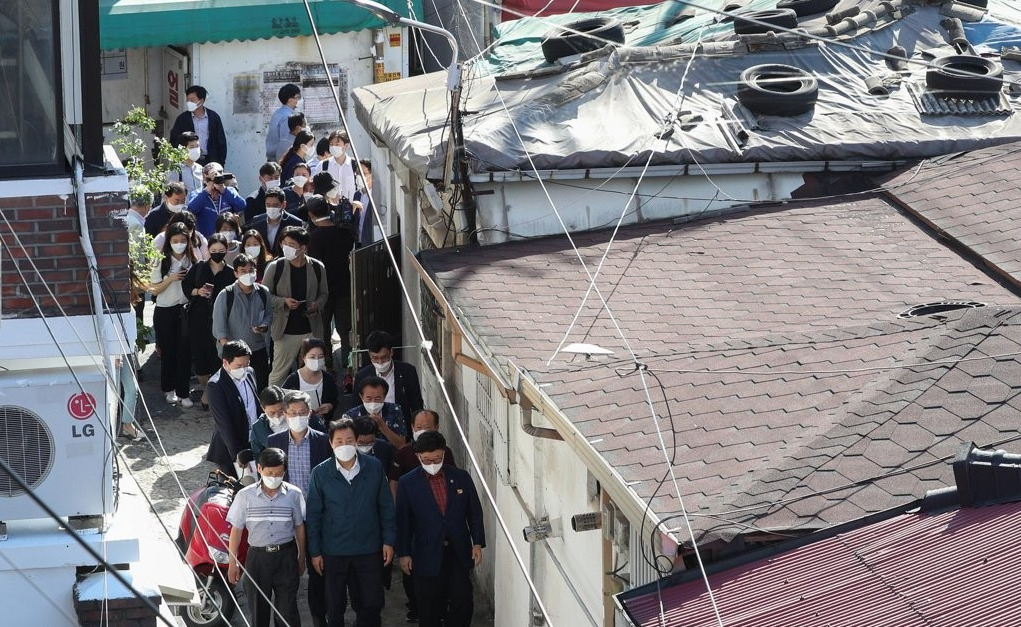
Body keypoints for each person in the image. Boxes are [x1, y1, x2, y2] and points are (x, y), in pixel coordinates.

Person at [306, 417, 396, 627]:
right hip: (334, 551)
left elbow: (386, 508)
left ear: (356, 441)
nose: (344, 445)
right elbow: (314, 515)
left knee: (371, 603)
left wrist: (389, 541)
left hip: (369, 549)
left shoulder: (374, 468)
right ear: (331, 443)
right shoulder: (320, 473)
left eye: (349, 440)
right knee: (335, 606)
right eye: (339, 441)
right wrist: (315, 552)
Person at [396, 431, 485, 627]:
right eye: (426, 460)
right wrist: (403, 554)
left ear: (443, 453)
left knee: (462, 599)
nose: (432, 464)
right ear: (418, 456)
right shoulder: (407, 483)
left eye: (436, 458)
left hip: (457, 550)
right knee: (429, 605)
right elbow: (403, 521)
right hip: (425, 552)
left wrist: (477, 542)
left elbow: (474, 512)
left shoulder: (460, 477)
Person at [268, 390, 332, 627]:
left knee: (318, 567)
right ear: (285, 414)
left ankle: (318, 616)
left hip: (316, 513)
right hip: (287, 513)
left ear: (310, 413)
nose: (297, 417)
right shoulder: (274, 442)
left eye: (302, 413)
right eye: (293, 413)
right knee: (287, 567)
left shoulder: (323, 441)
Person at [226, 447, 306, 627]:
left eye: (279, 473)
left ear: (285, 471)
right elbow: (236, 530)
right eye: (270, 473)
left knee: (287, 613)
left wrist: (302, 557)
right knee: (258, 611)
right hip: (257, 559)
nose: (274, 477)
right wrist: (233, 562)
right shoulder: (244, 496)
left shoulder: (294, 494)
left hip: (286, 557)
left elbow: (299, 527)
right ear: (260, 469)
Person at [390, 408, 457, 621]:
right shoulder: (403, 454)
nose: (423, 430)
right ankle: (417, 609)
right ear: (412, 428)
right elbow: (395, 484)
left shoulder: (446, 454)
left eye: (427, 427)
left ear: (437, 428)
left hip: (441, 529)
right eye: (419, 427)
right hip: (416, 527)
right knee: (416, 575)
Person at [264, 226, 329, 387]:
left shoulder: (317, 267)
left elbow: (324, 293)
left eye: (291, 244)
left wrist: (317, 305)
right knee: (278, 373)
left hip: (311, 329)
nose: (286, 247)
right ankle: (273, 407)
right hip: (285, 331)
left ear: (303, 248)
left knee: (314, 370)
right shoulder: (275, 267)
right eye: (284, 243)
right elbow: (264, 295)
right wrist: (283, 302)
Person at [183, 233, 236, 409]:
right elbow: (186, 287)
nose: (217, 253)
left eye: (221, 250)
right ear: (208, 250)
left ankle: (211, 394)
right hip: (198, 318)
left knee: (217, 356)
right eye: (213, 250)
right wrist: (198, 292)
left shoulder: (230, 272)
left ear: (226, 250)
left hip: (222, 320)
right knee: (200, 357)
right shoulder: (199, 267)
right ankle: (206, 388)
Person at [306, 196, 356, 372]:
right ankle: (349, 368)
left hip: (324, 293)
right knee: (346, 331)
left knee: (323, 332)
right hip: (344, 288)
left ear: (311, 215)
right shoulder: (345, 232)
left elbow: (313, 268)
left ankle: (327, 369)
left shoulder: (313, 238)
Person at [149, 221, 196, 407]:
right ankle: (169, 389)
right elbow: (154, 290)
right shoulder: (161, 260)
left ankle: (184, 392)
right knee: (168, 353)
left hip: (184, 310)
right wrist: (171, 279)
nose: (179, 244)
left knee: (184, 353)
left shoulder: (192, 259)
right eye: (175, 240)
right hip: (165, 310)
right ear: (169, 241)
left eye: (183, 240)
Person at [212, 254, 274, 392]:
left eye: (251, 270)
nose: (248, 274)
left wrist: (264, 325)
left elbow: (269, 314)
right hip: (233, 356)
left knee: (259, 388)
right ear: (236, 273)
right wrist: (230, 353)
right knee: (235, 391)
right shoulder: (226, 295)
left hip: (258, 350)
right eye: (243, 271)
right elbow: (219, 328)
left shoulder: (263, 292)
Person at [206, 340, 259, 478]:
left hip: (253, 442)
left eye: (246, 364)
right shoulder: (216, 385)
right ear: (225, 363)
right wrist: (238, 454)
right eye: (238, 365)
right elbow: (225, 424)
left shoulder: (250, 373)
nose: (243, 369)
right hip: (231, 450)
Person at [354, 330, 424, 419]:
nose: (380, 362)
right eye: (375, 358)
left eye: (384, 357)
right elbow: (356, 408)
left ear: (391, 352)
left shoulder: (408, 371)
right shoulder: (362, 376)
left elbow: (416, 404)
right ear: (369, 354)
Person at [282, 337, 338, 423]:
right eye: (312, 357)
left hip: (322, 425)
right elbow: (283, 402)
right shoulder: (293, 379)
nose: (316, 360)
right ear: (304, 357)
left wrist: (329, 406)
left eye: (320, 357)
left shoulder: (328, 379)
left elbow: (335, 400)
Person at [170, 85, 228, 166]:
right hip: (189, 161)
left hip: (211, 160)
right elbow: (174, 140)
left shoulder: (213, 117)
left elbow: (221, 141)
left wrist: (221, 163)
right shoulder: (182, 119)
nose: (189, 102)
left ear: (201, 101)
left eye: (192, 100)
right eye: (188, 100)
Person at [346, 376, 407, 448]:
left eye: (378, 398)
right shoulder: (351, 416)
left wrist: (383, 426)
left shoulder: (394, 410)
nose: (373, 402)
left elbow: (402, 444)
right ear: (361, 396)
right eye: (369, 398)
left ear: (384, 397)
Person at [189, 162, 247, 237]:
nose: (215, 179)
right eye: (212, 177)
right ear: (204, 177)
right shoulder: (197, 193)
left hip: (229, 239)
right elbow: (192, 209)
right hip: (208, 242)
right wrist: (207, 190)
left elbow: (241, 205)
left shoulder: (229, 191)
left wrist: (223, 189)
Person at [248, 187, 302, 257]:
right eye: (268, 205)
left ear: (283, 205)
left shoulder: (295, 223)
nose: (271, 208)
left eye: (275, 205)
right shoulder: (257, 221)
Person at [249, 386, 287, 461]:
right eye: (272, 413)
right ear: (263, 408)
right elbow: (258, 455)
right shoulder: (258, 428)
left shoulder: (297, 418)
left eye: (281, 410)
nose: (277, 416)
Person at [266, 83, 301, 161]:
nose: (300, 100)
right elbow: (285, 143)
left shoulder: (278, 112)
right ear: (290, 100)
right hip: (281, 160)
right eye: (298, 97)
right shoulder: (288, 117)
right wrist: (281, 164)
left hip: (274, 159)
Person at [320, 130, 357, 201]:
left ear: (346, 146)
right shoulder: (323, 165)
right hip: (328, 208)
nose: (333, 147)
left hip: (350, 208)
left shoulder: (354, 165)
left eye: (337, 144)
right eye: (331, 144)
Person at [168, 131, 204, 199]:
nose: (196, 149)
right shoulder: (176, 170)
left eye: (197, 146)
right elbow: (168, 195)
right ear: (183, 149)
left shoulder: (200, 168)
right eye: (192, 147)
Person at [353, 159, 381, 247]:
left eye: (363, 174)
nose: (360, 176)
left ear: (371, 175)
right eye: (358, 174)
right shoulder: (357, 195)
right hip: (358, 243)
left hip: (372, 243)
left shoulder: (378, 195)